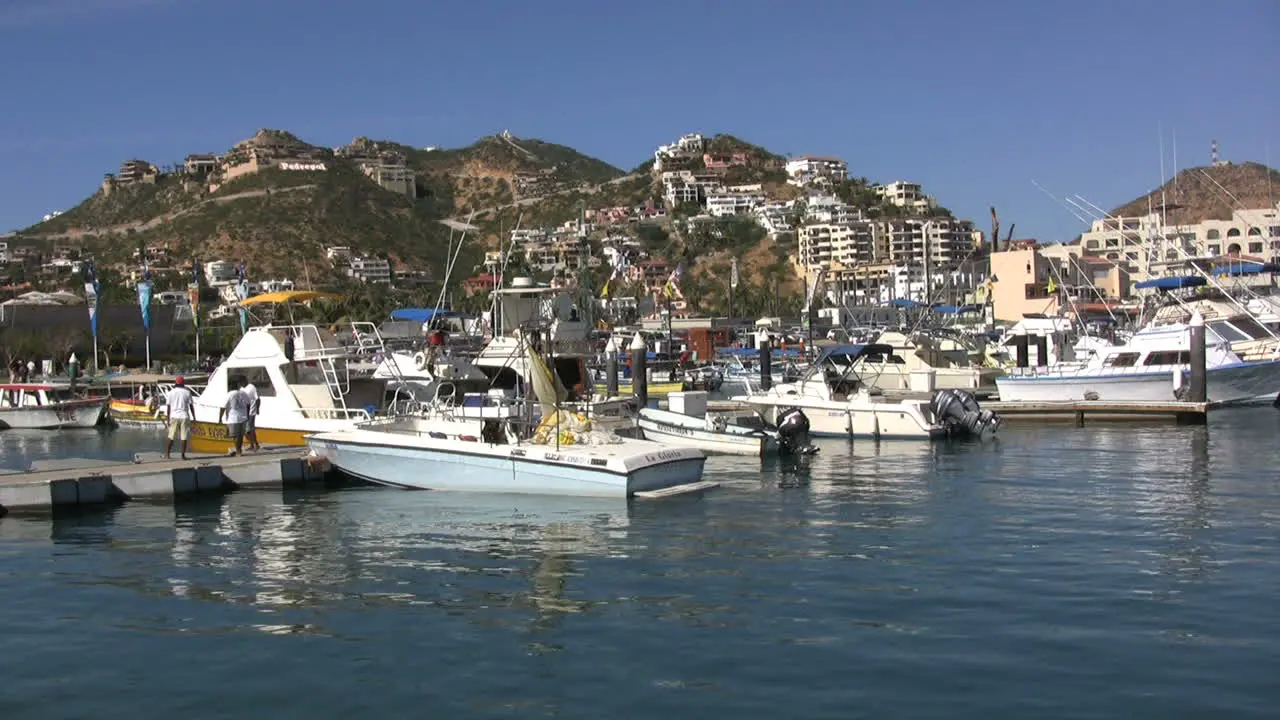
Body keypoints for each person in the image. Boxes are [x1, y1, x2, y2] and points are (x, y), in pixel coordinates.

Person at [163, 376, 196, 460]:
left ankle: (167, 454)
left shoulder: (171, 393)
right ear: (183, 383)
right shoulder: (187, 392)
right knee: (184, 436)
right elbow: (191, 406)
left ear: (176, 383)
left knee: (171, 436)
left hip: (174, 416)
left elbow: (168, 407)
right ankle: (182, 456)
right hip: (184, 416)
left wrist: (167, 419)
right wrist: (194, 417)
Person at [218, 378, 251, 457]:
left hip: (233, 418)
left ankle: (238, 451)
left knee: (234, 436)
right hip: (243, 417)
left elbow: (223, 407)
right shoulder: (243, 393)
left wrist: (220, 418)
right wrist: (247, 414)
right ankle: (238, 450)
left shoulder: (230, 394)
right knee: (240, 436)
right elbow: (248, 404)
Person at [241, 375, 261, 451]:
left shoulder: (251, 387)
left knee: (249, 430)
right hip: (244, 412)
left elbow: (257, 399)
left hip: (251, 411)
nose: (241, 384)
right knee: (249, 430)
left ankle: (253, 445)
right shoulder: (242, 389)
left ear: (245, 381)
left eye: (242, 382)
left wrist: (257, 409)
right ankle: (255, 444)